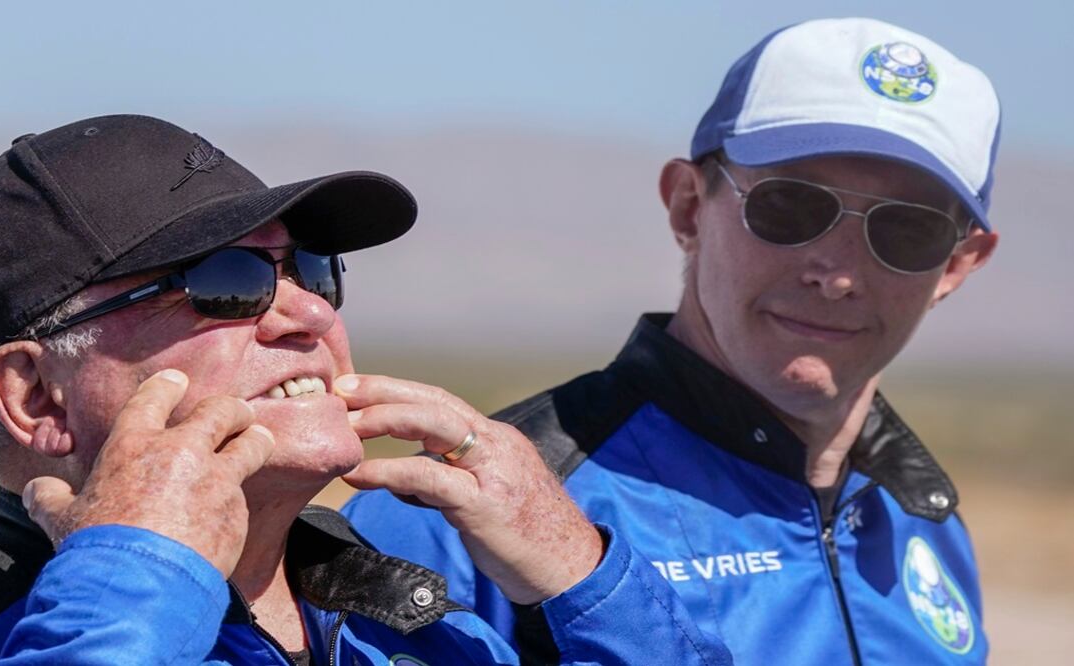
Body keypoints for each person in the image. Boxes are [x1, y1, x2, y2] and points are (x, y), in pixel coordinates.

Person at [345, 17, 1001, 665]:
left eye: (905, 232)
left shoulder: (918, 519)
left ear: (955, 266)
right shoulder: (453, 517)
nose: (836, 275)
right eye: (792, 208)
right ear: (688, 206)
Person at [0, 115, 729, 664]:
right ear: (35, 396)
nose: (312, 313)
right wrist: (138, 570)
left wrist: (580, 575)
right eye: (223, 284)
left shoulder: (415, 620)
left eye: (310, 269)